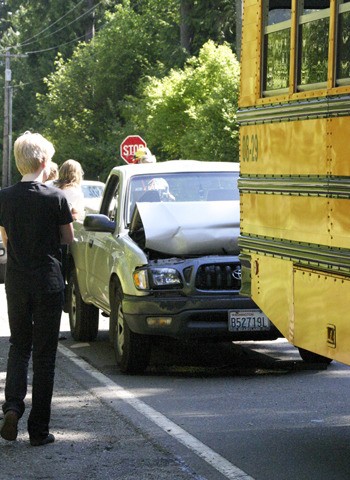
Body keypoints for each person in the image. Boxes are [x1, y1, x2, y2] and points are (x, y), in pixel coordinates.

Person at [0, 131, 74, 447]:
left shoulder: (3, 197)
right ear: (44, 161)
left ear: (19, 163)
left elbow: (5, 236)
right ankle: (39, 431)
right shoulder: (56, 197)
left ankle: (13, 406)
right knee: (45, 357)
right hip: (48, 283)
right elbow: (68, 237)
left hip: (16, 282)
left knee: (19, 346)